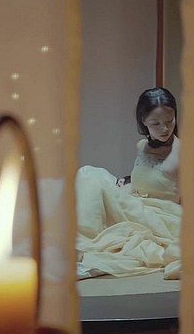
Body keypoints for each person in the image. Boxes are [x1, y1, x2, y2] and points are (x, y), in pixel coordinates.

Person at [76, 87, 182, 279]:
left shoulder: (182, 151)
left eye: (169, 121)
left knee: (90, 174)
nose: (165, 129)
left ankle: (81, 246)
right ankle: (81, 242)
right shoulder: (142, 146)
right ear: (144, 121)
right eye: (156, 123)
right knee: (89, 173)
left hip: (162, 216)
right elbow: (147, 179)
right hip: (137, 202)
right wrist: (126, 185)